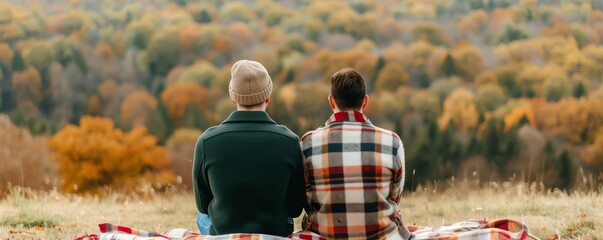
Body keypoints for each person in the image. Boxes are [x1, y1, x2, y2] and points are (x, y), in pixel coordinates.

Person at [192, 59, 305, 237]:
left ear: (233, 97)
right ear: (268, 97)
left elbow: (202, 205)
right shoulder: (290, 141)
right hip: (274, 232)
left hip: (223, 233)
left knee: (201, 216)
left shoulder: (207, 141)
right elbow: (295, 208)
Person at [301, 68, 411, 240]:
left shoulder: (308, 143)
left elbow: (307, 200)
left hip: (325, 236)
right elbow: (395, 197)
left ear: (331, 102)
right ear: (365, 101)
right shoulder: (392, 142)